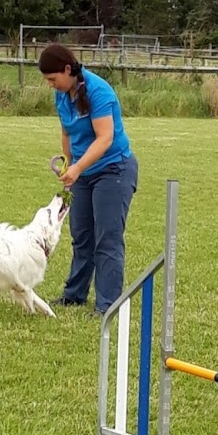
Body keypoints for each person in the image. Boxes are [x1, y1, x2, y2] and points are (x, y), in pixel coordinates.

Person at [38, 43, 138, 316]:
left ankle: (108, 305)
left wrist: (78, 167)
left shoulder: (99, 91)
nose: (50, 85)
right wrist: (68, 165)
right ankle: (74, 295)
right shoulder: (61, 95)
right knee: (81, 236)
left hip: (113, 170)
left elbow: (105, 138)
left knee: (107, 238)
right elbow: (67, 133)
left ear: (68, 70)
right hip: (83, 172)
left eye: (52, 79)